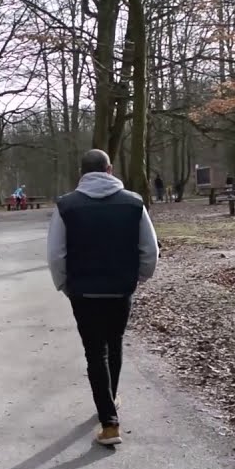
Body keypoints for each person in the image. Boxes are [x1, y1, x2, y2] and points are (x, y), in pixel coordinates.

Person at [47, 149, 159, 446]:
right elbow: (150, 249)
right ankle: (110, 404)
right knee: (115, 343)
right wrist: (141, 277)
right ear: (109, 169)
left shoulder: (66, 206)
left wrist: (63, 284)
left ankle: (109, 423)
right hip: (120, 287)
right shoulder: (134, 203)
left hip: (83, 290)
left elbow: (56, 253)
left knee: (95, 352)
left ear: (81, 172)